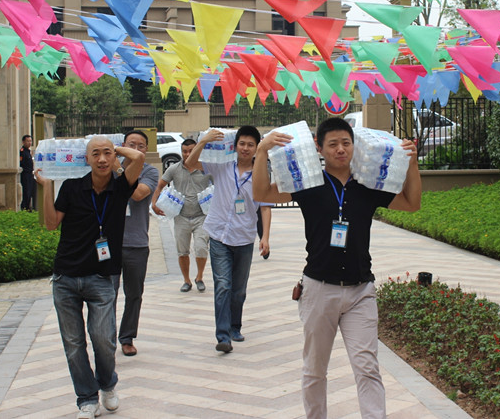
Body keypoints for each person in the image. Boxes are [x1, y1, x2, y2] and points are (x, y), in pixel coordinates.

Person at [252, 117, 421, 419]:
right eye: (333, 144)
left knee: (367, 367)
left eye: (346, 143)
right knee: (315, 369)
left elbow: (411, 203)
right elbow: (261, 194)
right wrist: (262, 151)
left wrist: (412, 164)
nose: (340, 149)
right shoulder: (307, 184)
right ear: (319, 148)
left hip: (360, 291)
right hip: (319, 289)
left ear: (354, 146)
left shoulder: (368, 185)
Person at [36, 136, 144, 419]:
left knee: (103, 339)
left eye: (107, 154)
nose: (102, 159)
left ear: (115, 156)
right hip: (66, 277)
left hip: (102, 277)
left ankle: (107, 384)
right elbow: (51, 224)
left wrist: (113, 146)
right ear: (86, 159)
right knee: (73, 344)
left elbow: (138, 158)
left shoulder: (121, 188)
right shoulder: (72, 187)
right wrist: (46, 186)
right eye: (95, 154)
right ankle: (86, 398)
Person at [184, 126, 271, 353]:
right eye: (242, 143)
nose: (245, 148)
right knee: (223, 285)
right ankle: (223, 336)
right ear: (235, 145)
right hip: (219, 235)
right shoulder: (222, 165)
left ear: (256, 148)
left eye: (250, 145)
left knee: (238, 290)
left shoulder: (260, 174)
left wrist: (265, 237)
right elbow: (190, 164)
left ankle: (235, 326)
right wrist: (203, 141)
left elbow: (265, 207)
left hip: (244, 238)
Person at [112, 130, 159, 358]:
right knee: (106, 293)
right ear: (122, 146)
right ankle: (105, 336)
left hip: (137, 243)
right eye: (132, 145)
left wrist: (119, 171)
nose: (136, 149)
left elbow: (139, 194)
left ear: (146, 150)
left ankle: (127, 337)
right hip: (109, 243)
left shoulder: (149, 172)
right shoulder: (107, 168)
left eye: (141, 146)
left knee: (134, 294)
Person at [151, 138, 212, 293]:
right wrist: (154, 203)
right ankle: (186, 280)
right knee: (182, 251)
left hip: (201, 216)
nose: (187, 154)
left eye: (191, 151)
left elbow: (221, 184)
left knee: (201, 248)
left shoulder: (206, 168)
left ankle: (199, 277)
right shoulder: (174, 169)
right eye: (184, 151)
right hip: (181, 216)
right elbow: (160, 185)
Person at [19, 134, 35, 211]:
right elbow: (21, 164)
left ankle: (28, 207)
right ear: (23, 142)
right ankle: (25, 208)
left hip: (30, 174)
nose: (29, 143)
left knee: (30, 192)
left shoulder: (28, 152)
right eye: (27, 141)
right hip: (25, 175)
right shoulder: (22, 152)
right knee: (26, 192)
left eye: (30, 141)